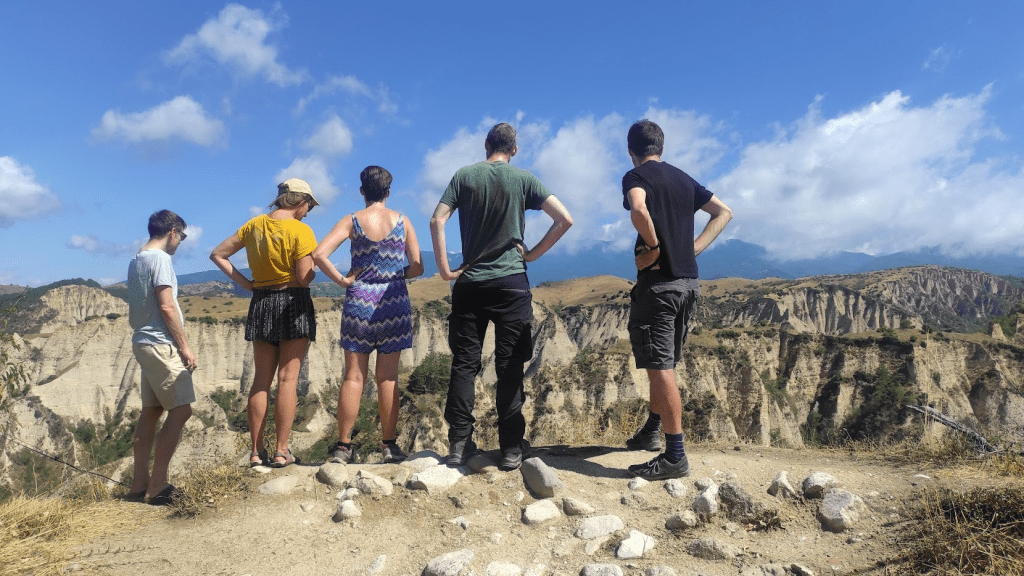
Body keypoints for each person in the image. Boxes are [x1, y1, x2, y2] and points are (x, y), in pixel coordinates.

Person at [430, 122, 573, 471]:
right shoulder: (523, 179)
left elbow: (437, 221)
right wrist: (533, 254)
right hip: (511, 283)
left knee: (465, 364)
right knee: (510, 366)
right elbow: (565, 219)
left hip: (470, 283)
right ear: (514, 150)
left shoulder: (464, 176)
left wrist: (447, 270)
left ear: (485, 145)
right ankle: (511, 447)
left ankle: (459, 444)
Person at [620, 119, 733, 480]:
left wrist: (653, 246)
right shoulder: (684, 179)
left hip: (660, 287)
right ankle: (652, 431)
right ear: (662, 148)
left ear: (631, 151)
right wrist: (692, 249)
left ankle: (675, 456)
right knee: (663, 362)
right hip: (689, 285)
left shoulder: (635, 177)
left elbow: (638, 209)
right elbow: (723, 212)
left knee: (660, 366)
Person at [312, 166, 424, 464]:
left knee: (353, 377)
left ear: (362, 191)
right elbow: (417, 266)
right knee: (388, 378)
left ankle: (343, 448)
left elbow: (319, 254)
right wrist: (396, 273)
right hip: (394, 302)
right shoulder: (402, 221)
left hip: (359, 302)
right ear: (388, 191)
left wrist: (343, 280)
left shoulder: (351, 221)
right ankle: (389, 446)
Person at [210, 178, 319, 468]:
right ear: (299, 201)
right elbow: (304, 275)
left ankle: (257, 452)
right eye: (309, 205)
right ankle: (282, 451)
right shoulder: (301, 230)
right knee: (288, 379)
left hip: (261, 302)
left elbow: (218, 254)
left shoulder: (253, 225)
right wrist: (315, 269)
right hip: (293, 301)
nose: (308, 211)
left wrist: (247, 284)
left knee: (261, 380)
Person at [125, 209, 196, 505]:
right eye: (181, 237)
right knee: (181, 411)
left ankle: (138, 484)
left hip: (143, 342)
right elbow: (167, 306)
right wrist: (184, 346)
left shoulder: (136, 259)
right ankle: (158, 485)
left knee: (151, 412)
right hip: (161, 343)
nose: (180, 243)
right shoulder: (160, 260)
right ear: (172, 233)